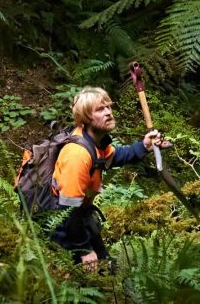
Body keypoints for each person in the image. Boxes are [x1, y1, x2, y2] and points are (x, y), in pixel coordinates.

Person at [51, 86, 166, 269]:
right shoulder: (77, 155)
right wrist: (84, 250)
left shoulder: (95, 143)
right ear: (86, 118)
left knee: (107, 270)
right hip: (63, 226)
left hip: (80, 218)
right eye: (100, 109)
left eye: (108, 107)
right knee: (82, 281)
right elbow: (67, 210)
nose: (108, 113)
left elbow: (116, 156)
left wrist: (144, 146)